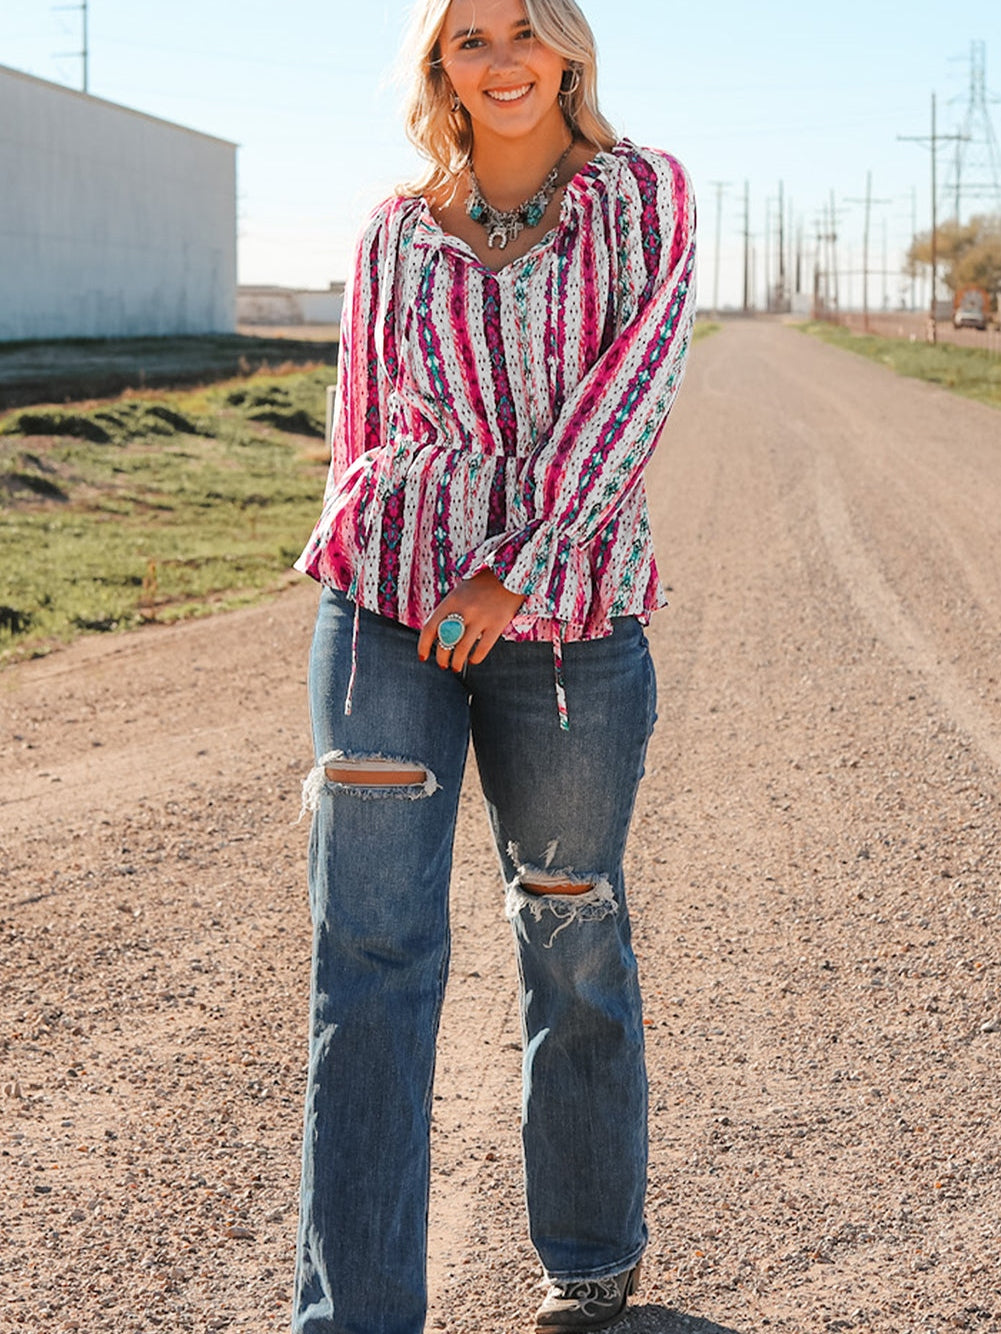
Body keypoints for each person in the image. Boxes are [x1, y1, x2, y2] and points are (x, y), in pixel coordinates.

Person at [291, 0, 695, 1330]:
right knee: (371, 960)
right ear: (438, 67)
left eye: (526, 26)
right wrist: (361, 570)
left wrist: (514, 562)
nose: (503, 55)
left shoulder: (642, 198)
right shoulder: (389, 230)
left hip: (566, 624)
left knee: (568, 930)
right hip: (386, 614)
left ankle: (586, 1263)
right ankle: (351, 1317)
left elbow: (629, 397)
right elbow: (359, 421)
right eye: (470, 36)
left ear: (569, 49)